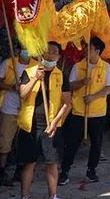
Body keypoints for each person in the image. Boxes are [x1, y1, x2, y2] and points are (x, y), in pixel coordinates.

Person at [18, 42, 72, 199]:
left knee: (52, 163)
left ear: (58, 57)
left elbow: (67, 103)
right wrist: (35, 79)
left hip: (51, 126)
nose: (50, 54)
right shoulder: (29, 72)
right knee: (29, 163)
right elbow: (22, 94)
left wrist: (55, 122)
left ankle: (52, 195)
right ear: (41, 53)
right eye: (47, 52)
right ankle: (25, 196)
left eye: (54, 52)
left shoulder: (61, 75)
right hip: (31, 124)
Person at [60, 37, 110, 184]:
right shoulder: (78, 67)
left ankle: (91, 170)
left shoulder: (106, 68)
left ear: (97, 51)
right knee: (72, 143)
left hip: (98, 112)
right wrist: (81, 83)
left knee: (96, 144)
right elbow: (69, 86)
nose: (85, 50)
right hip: (78, 111)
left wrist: (93, 97)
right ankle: (64, 171)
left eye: (89, 48)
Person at [0, 47, 34, 185]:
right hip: (9, 108)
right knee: (4, 142)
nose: (26, 51)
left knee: (22, 143)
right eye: (24, 48)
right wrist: (11, 87)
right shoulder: (8, 63)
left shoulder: (36, 65)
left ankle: (19, 171)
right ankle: (2, 172)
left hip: (27, 110)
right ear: (18, 50)